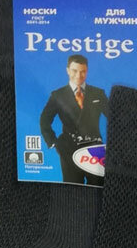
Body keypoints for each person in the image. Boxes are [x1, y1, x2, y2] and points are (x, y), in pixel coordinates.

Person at [39, 56, 110, 184]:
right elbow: (44, 119)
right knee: (72, 188)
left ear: (87, 71)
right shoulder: (58, 95)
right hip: (68, 149)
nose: (78, 75)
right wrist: (53, 142)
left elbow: (114, 117)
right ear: (67, 70)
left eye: (83, 71)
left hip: (94, 149)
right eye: (74, 70)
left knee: (98, 186)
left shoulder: (98, 93)